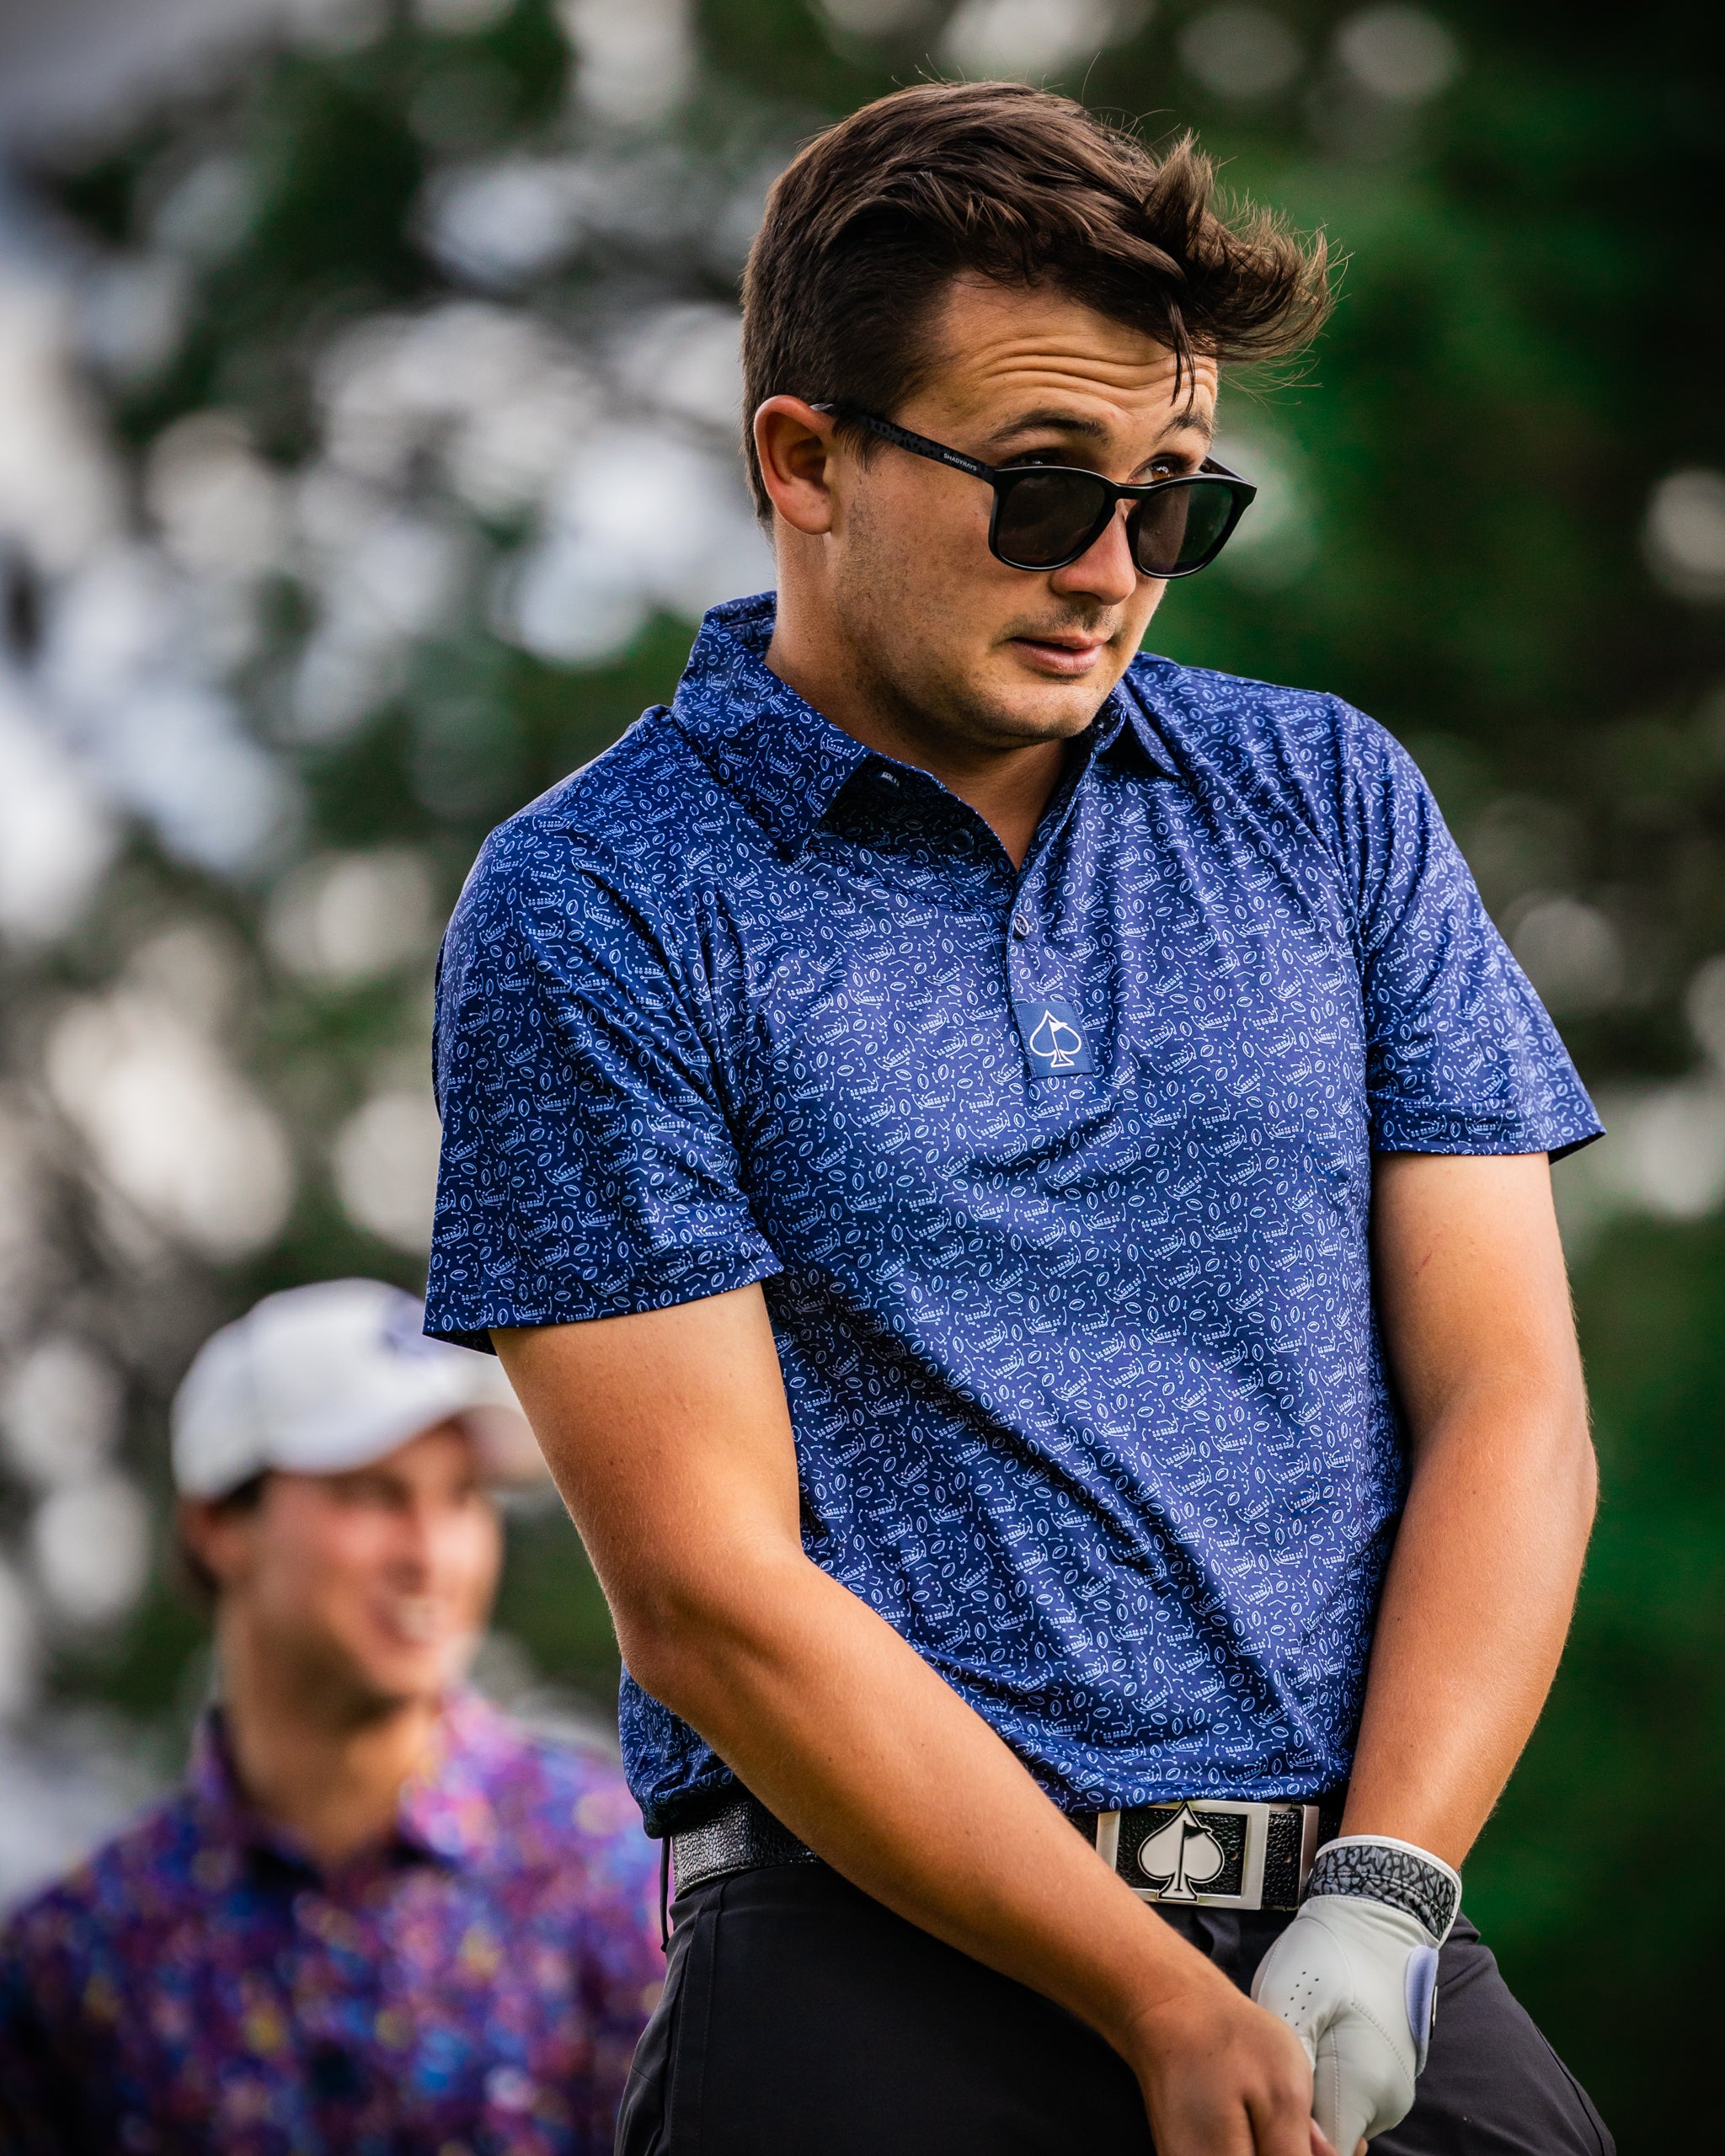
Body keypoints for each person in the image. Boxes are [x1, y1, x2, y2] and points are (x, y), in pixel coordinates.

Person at [425, 80, 1613, 2156]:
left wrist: (1381, 1887)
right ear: (802, 458)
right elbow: (706, 1588)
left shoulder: (1328, 799)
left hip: (1354, 1926)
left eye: (1169, 498)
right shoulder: (594, 896)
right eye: (1044, 489)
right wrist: (1147, 1990)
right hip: (868, 1963)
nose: (1112, 569)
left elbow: (1514, 1401)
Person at [0, 1278, 663, 2156]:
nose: (432, 1554)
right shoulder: (72, 1962)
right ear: (217, 1526)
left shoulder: (619, 1879)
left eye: (462, 1496)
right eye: (373, 1493)